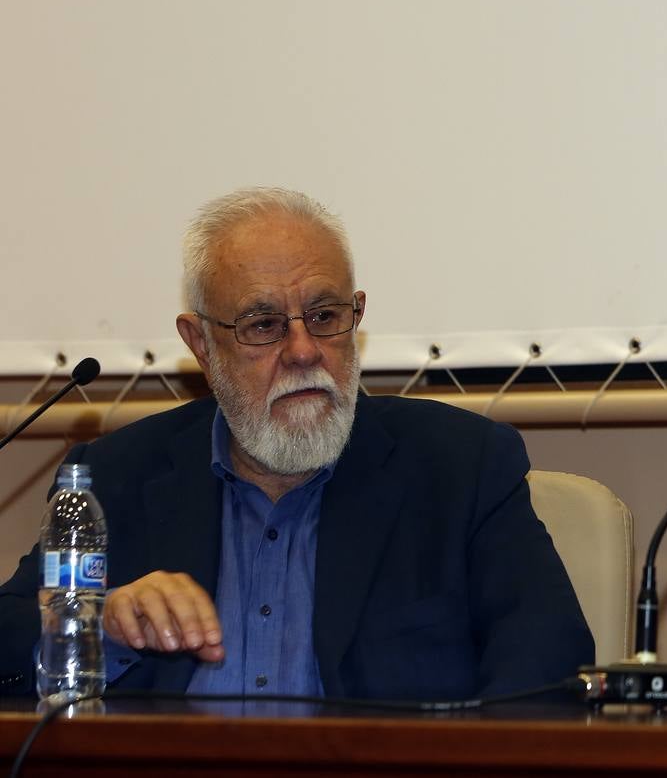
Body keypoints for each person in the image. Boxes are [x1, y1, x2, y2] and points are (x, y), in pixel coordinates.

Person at [0, 188, 592, 700]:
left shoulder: (463, 467)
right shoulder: (115, 476)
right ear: (201, 343)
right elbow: (6, 635)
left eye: (325, 315)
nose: (305, 351)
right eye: (263, 325)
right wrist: (97, 622)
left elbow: (549, 664)